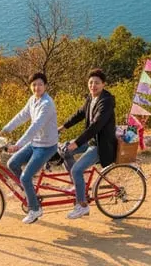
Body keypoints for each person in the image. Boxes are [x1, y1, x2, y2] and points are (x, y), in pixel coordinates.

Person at [1, 71, 59, 224]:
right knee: (12, 164)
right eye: (34, 84)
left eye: (40, 84)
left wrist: (17, 145)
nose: (37, 87)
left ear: (45, 86)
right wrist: (5, 130)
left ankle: (35, 209)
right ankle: (29, 192)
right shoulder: (33, 100)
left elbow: (34, 127)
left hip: (46, 146)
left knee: (25, 177)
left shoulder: (47, 104)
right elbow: (22, 116)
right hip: (35, 143)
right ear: (30, 87)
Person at [59, 68, 116, 220]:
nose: (93, 85)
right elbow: (79, 113)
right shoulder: (91, 98)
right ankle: (79, 186)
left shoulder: (106, 102)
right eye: (91, 82)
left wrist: (77, 143)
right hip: (91, 141)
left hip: (101, 145)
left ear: (103, 84)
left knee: (77, 170)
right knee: (64, 151)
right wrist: (64, 127)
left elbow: (95, 126)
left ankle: (82, 206)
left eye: (97, 83)